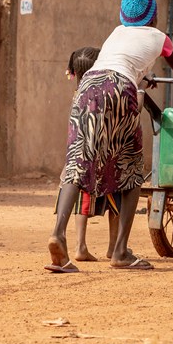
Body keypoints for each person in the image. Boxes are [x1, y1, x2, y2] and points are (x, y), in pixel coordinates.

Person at [46, 0, 173, 273]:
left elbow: (119, 62)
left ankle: (58, 234)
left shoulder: (116, 33)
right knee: (131, 168)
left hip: (89, 86)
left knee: (77, 160)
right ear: (153, 16)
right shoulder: (160, 38)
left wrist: (142, 74)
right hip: (120, 88)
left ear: (124, 17)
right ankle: (120, 251)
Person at [60, 47, 120, 265]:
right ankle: (114, 246)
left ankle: (80, 246)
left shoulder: (77, 94)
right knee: (118, 194)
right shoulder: (100, 92)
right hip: (102, 154)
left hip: (77, 156)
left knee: (81, 199)